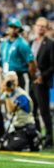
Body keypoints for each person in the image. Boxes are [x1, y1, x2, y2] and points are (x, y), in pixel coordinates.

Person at [0, 71, 41, 151]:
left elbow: (11, 109)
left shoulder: (21, 95)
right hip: (14, 129)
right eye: (9, 81)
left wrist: (6, 94)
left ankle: (31, 143)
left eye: (13, 80)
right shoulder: (8, 93)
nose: (11, 83)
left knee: (10, 147)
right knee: (2, 144)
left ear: (17, 81)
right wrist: (1, 90)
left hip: (25, 128)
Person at [30, 17, 54, 148]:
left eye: (43, 26)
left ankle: (49, 139)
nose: (40, 28)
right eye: (39, 25)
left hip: (42, 82)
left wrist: (43, 77)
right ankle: (37, 136)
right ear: (34, 27)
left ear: (46, 28)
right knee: (32, 111)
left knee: (44, 111)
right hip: (31, 81)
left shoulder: (50, 44)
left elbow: (52, 65)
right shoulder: (31, 42)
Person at [0, 17, 36, 90]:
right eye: (11, 27)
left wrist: (32, 77)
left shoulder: (22, 44)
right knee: (7, 100)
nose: (13, 29)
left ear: (19, 29)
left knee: (20, 99)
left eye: (15, 28)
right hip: (6, 76)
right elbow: (2, 60)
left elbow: (31, 62)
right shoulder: (4, 43)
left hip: (19, 76)